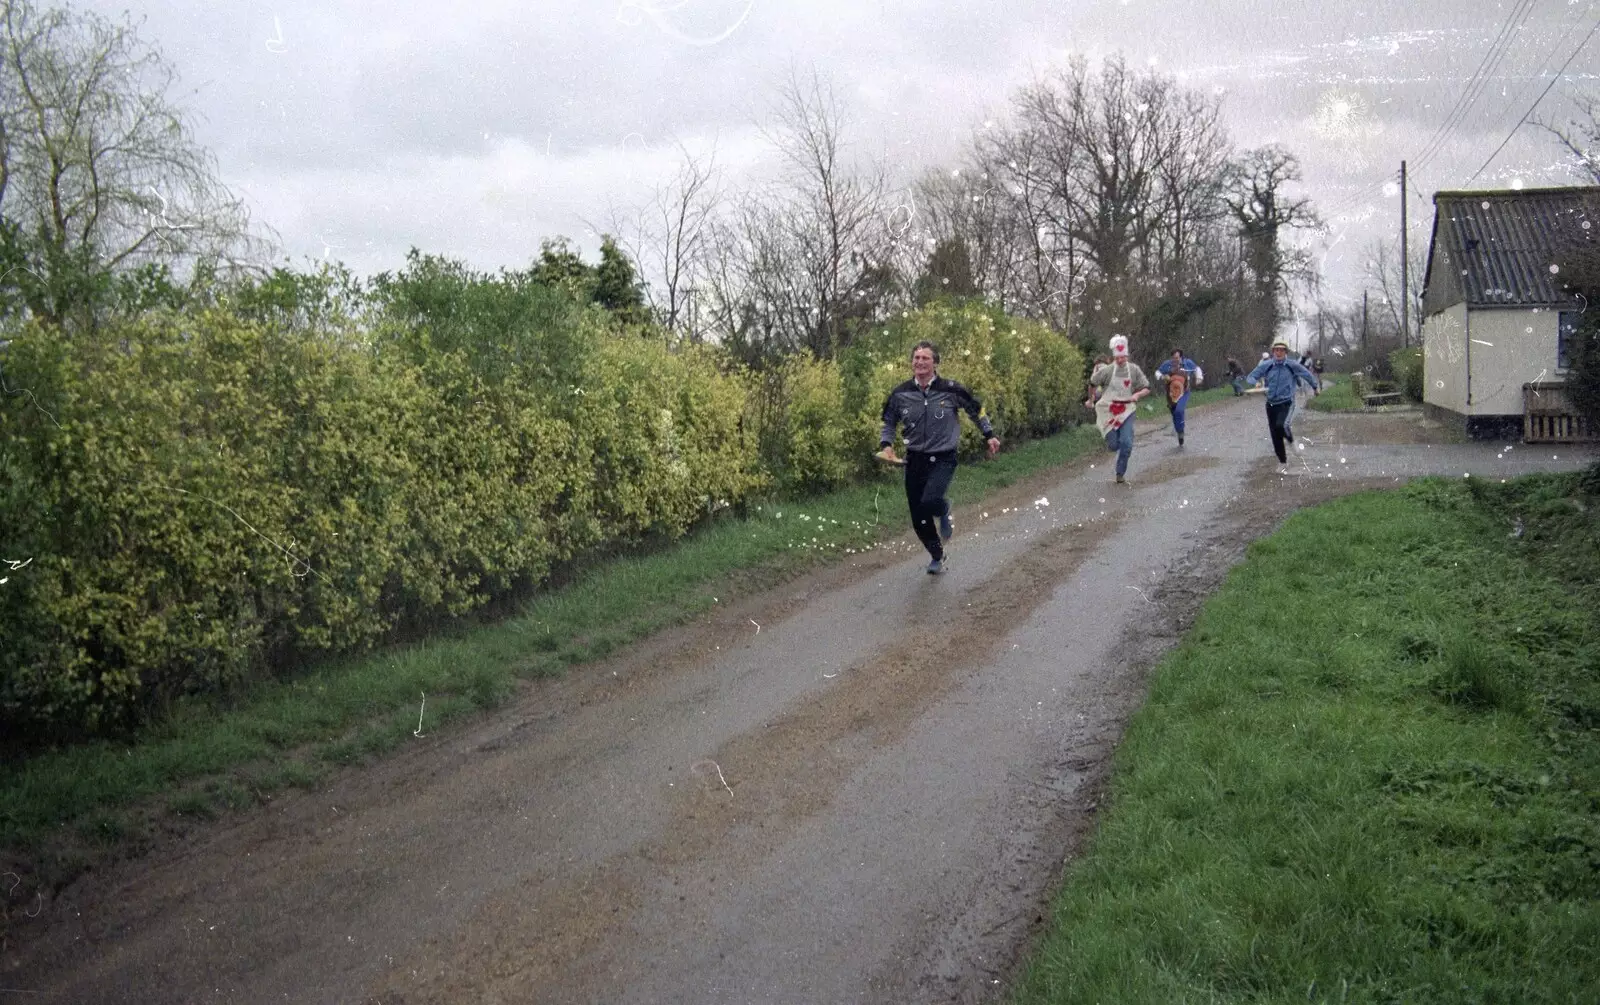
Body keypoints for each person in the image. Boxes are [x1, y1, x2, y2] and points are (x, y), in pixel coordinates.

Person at [878, 341, 1000, 575]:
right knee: (918, 517)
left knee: (931, 500)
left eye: (925, 358)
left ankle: (943, 510)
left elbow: (977, 410)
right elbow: (889, 421)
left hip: (943, 457)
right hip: (914, 458)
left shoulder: (951, 389)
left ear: (935, 363)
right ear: (911, 363)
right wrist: (886, 445)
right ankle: (936, 555)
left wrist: (989, 435)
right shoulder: (901, 393)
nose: (920, 362)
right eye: (916, 358)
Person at [1084, 335, 1151, 485]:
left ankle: (1120, 473)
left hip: (1127, 410)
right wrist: (1091, 399)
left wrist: (1137, 394)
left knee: (1126, 443)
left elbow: (1147, 387)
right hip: (1109, 410)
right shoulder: (1107, 371)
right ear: (1114, 357)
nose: (1120, 360)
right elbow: (1092, 383)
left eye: (1123, 357)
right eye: (1118, 358)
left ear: (1127, 356)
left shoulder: (1134, 370)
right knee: (1114, 445)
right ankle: (1115, 442)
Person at [1247, 340, 1320, 470]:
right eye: (1276, 350)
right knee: (1275, 434)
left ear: (1286, 352)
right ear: (1273, 352)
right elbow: (1251, 377)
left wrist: (1315, 387)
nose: (1279, 352)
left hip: (1287, 402)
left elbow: (1307, 374)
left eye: (1282, 350)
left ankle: (1292, 442)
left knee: (1281, 425)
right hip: (1271, 404)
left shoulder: (1292, 365)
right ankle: (1283, 462)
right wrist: (1256, 383)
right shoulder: (1267, 365)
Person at [1154, 347, 1201, 446]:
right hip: (1170, 394)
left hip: (1184, 392)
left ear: (1181, 357)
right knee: (1174, 414)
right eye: (1174, 358)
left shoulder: (1187, 363)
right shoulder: (1167, 364)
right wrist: (1163, 376)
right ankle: (1180, 431)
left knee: (1179, 410)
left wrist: (1198, 378)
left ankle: (1180, 430)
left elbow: (1197, 369)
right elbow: (1157, 372)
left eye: (1177, 358)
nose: (1175, 360)